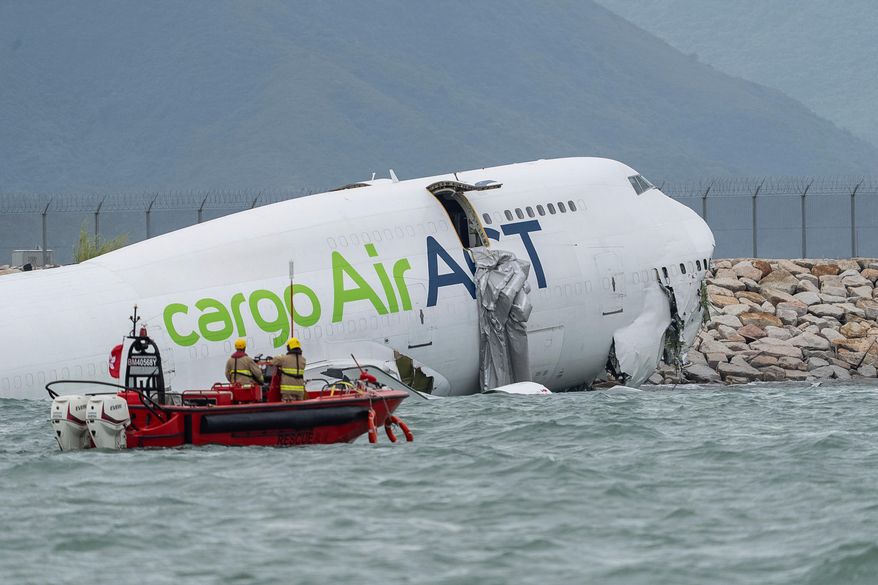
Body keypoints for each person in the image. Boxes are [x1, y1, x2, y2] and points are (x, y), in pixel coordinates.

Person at [272, 337, 306, 401]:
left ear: (289, 347)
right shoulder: (303, 360)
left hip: (288, 391)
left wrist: (280, 356)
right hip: (300, 391)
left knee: (289, 408)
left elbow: (274, 361)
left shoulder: (284, 359)